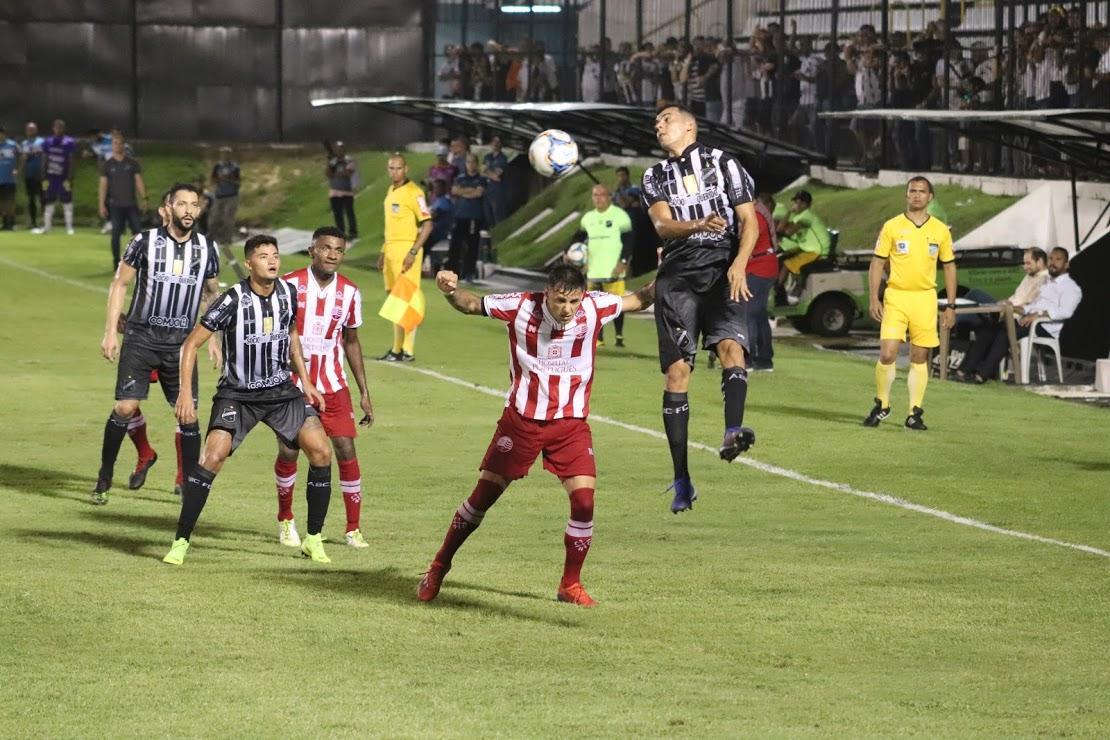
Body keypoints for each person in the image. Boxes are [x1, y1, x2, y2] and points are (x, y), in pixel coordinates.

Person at [416, 265, 656, 607]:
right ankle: (439, 567)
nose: (567, 309)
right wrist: (449, 290)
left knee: (584, 503)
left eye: (574, 301)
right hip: (523, 421)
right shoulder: (521, 306)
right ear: (547, 293)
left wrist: (674, 270)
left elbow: (642, 298)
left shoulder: (595, 306)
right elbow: (471, 304)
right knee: (482, 498)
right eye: (560, 300)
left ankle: (570, 585)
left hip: (570, 424)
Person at [164, 235, 333, 566]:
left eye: (275, 255)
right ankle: (181, 540)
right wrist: (185, 393)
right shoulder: (232, 300)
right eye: (263, 256)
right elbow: (190, 345)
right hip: (238, 395)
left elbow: (292, 335)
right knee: (212, 458)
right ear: (249, 264)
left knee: (322, 451)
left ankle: (313, 539)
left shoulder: (288, 293)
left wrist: (307, 381)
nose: (272, 261)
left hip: (281, 392)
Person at [641, 103, 760, 514]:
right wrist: (696, 225)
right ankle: (681, 480)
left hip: (722, 267)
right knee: (678, 372)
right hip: (677, 273)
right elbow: (661, 225)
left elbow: (750, 221)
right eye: (657, 122)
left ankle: (732, 431)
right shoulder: (653, 175)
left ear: (690, 126)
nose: (659, 125)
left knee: (732, 349)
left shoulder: (724, 163)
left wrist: (741, 263)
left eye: (667, 119)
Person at [94, 184, 221, 505]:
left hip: (181, 344)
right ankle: (104, 478)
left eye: (194, 205)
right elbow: (120, 283)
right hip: (141, 337)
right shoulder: (145, 242)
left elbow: (211, 295)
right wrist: (110, 331)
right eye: (182, 204)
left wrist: (214, 339)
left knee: (188, 415)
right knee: (125, 406)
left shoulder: (207, 248)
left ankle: (189, 485)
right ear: (169, 207)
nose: (189, 210)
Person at [273, 226, 375, 549]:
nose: (332, 255)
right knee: (290, 451)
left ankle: (353, 528)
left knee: (346, 449)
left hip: (333, 385)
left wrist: (363, 391)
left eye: (338, 250)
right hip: (292, 386)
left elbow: (352, 342)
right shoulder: (289, 285)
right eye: (326, 248)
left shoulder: (350, 292)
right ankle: (286, 520)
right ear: (312, 251)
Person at [864, 177, 957, 431]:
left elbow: (949, 266)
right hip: (896, 296)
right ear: (906, 195)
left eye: (922, 192)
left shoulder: (940, 230)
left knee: (919, 356)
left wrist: (950, 305)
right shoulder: (892, 226)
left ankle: (914, 412)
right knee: (887, 353)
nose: (916, 195)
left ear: (930, 197)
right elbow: (877, 263)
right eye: (912, 191)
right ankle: (882, 404)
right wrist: (874, 297)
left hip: (925, 298)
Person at [957, 247, 1081, 383]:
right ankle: (963, 371)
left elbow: (1066, 312)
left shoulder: (1071, 287)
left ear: (1067, 264)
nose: (1053, 262)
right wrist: (1016, 309)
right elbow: (1031, 306)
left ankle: (982, 375)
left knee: (1005, 332)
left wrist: (1037, 315)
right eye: (1051, 258)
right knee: (989, 329)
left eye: (1058, 259)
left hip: (1045, 326)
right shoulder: (1047, 284)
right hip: (1028, 319)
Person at [377, 153, 433, 362]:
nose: (394, 172)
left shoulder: (415, 192)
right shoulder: (391, 190)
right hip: (391, 251)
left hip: (406, 251)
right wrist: (384, 251)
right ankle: (396, 348)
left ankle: (407, 350)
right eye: (391, 168)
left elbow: (427, 224)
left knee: (407, 298)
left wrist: (413, 251)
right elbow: (391, 226)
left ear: (406, 169)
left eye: (398, 168)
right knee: (395, 300)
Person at [573, 184, 632, 347]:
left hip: (614, 269)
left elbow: (629, 242)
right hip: (593, 270)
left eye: (601, 194)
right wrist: (569, 252)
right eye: (595, 195)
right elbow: (578, 238)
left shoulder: (620, 216)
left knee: (617, 305)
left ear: (609, 197)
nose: (598, 198)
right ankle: (598, 339)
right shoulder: (588, 218)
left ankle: (619, 336)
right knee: (593, 307)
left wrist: (623, 261)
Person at [98, 132, 147, 268]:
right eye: (115, 143)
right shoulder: (107, 165)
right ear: (112, 146)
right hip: (115, 206)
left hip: (131, 204)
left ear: (123, 145)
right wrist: (101, 204)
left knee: (138, 234)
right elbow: (103, 186)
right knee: (115, 235)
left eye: (119, 143)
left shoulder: (132, 163)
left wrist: (144, 198)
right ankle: (116, 262)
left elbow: (138, 181)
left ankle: (140, 260)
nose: (117, 146)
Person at [774, 190, 830, 305]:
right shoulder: (800, 216)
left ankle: (779, 292)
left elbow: (788, 232)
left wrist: (789, 213)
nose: (797, 205)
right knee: (781, 258)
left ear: (808, 205)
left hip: (817, 251)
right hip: (807, 249)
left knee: (786, 264)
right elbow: (780, 230)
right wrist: (789, 212)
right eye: (795, 202)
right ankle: (782, 289)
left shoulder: (807, 216)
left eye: (800, 203)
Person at [746, 193, 780, 371]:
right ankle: (765, 360)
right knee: (758, 315)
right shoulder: (759, 212)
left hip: (759, 267)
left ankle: (748, 359)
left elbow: (748, 240)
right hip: (764, 265)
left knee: (749, 313)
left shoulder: (755, 215)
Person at [32, 119, 76, 235]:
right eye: (56, 127)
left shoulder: (69, 142)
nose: (58, 129)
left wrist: (70, 176)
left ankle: (69, 228)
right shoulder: (48, 141)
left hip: (64, 178)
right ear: (53, 128)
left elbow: (71, 160)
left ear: (63, 129)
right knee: (48, 202)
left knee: (67, 202)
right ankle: (47, 227)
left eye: (60, 127)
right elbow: (44, 158)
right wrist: (43, 174)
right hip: (50, 177)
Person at [448, 153, 486, 282]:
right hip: (460, 215)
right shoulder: (460, 178)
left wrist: (464, 192)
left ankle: (468, 273)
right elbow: (454, 191)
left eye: (473, 162)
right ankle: (452, 272)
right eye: (468, 162)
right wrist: (469, 191)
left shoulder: (481, 179)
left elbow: (478, 193)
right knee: (455, 244)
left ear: (477, 163)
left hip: (473, 216)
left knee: (472, 246)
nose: (471, 164)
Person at [208, 146, 241, 246]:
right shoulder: (217, 166)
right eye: (223, 154)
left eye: (227, 154)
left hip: (231, 195)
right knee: (214, 217)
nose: (225, 156)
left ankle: (227, 239)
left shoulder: (234, 167)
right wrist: (218, 180)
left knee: (228, 218)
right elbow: (212, 180)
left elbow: (238, 182)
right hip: (219, 195)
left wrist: (229, 179)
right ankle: (212, 237)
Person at [326, 141, 359, 239]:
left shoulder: (349, 160)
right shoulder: (333, 162)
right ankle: (341, 233)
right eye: (337, 149)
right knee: (338, 214)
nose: (339, 151)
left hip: (346, 192)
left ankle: (353, 233)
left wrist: (335, 171)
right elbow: (328, 174)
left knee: (349, 213)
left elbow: (347, 173)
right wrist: (329, 164)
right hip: (334, 192)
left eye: (340, 148)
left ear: (344, 149)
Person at [19, 122, 45, 230]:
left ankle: (45, 222)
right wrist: (19, 170)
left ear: (36, 130)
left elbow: (45, 156)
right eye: (28, 129)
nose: (30, 131)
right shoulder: (24, 143)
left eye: (32, 129)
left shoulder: (42, 141)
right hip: (29, 175)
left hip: (41, 174)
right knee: (31, 199)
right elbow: (23, 158)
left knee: (43, 198)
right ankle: (33, 222)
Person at [481, 136, 509, 226]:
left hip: (498, 190)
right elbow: (482, 172)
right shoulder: (487, 157)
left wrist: (487, 170)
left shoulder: (502, 158)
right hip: (487, 188)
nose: (495, 145)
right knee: (487, 214)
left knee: (498, 213)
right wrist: (488, 172)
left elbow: (497, 176)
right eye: (493, 142)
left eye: (498, 142)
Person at [0, 128, 17, 231]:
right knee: (1, 203)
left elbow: (22, 156)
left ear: (4, 134)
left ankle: (11, 223)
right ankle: (4, 222)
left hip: (10, 179)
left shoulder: (12, 145)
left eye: (1, 134)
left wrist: (18, 169)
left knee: (9, 202)